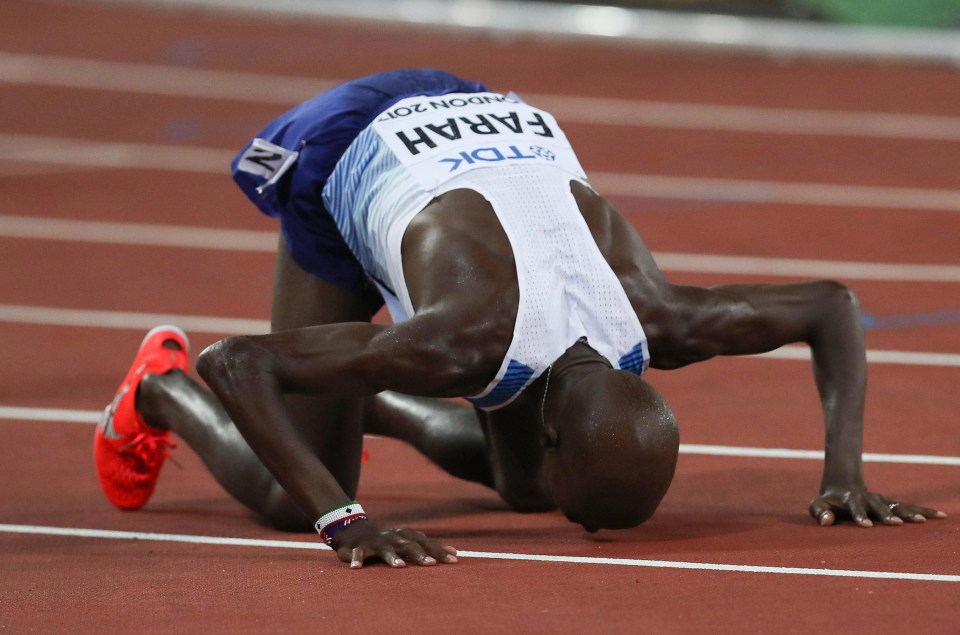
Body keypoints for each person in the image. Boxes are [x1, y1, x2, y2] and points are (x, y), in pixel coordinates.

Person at [94, 69, 945, 570]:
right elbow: (238, 361)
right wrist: (344, 521)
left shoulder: (663, 321)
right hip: (345, 149)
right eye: (588, 511)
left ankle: (361, 396)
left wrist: (844, 473)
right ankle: (157, 392)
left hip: (472, 117)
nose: (569, 524)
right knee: (295, 495)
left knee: (521, 487)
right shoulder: (457, 343)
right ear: (555, 431)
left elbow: (832, 303)